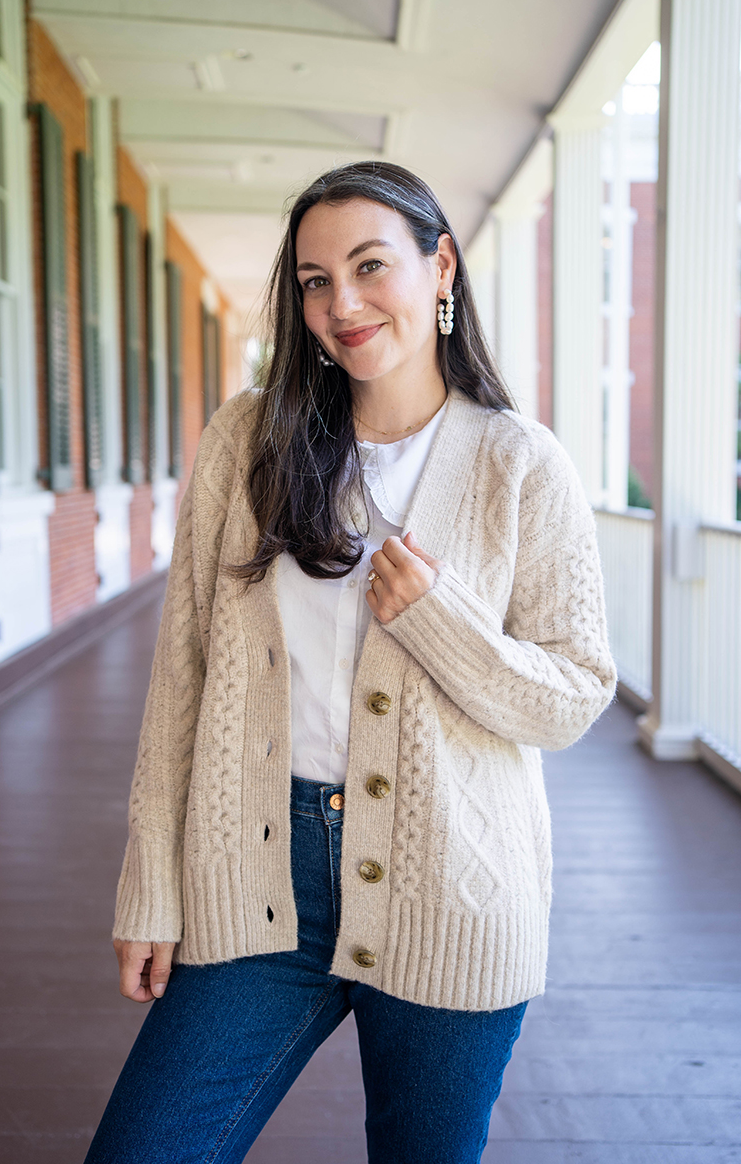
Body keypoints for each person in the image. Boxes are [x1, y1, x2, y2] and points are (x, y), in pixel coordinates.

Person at [84, 161, 616, 1164]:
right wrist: (149, 882)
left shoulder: (518, 463)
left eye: (370, 267)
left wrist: (439, 619)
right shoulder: (249, 438)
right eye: (315, 280)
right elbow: (183, 674)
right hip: (256, 872)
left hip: (453, 887)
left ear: (440, 266)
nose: (341, 304)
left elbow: (572, 697)